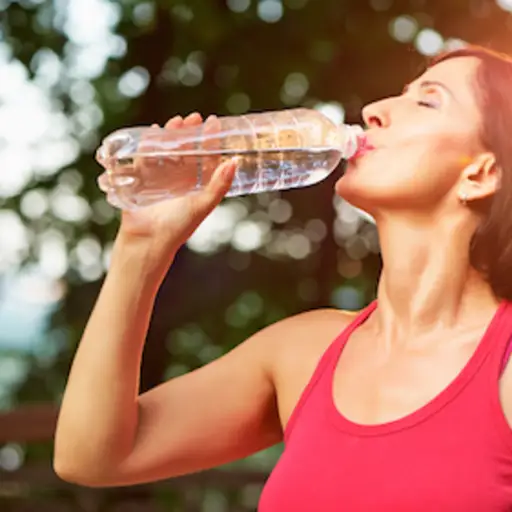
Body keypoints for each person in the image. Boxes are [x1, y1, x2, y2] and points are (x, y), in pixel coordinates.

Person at [53, 45, 512, 510]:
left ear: (481, 173)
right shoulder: (303, 354)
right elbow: (92, 457)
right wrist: (141, 249)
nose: (374, 110)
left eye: (427, 101)